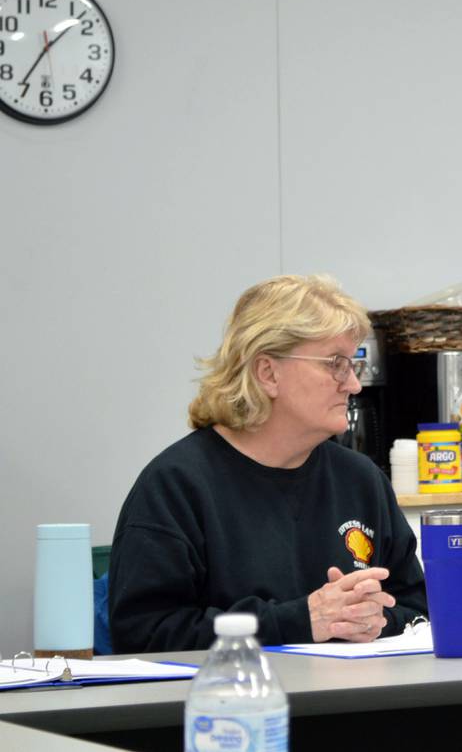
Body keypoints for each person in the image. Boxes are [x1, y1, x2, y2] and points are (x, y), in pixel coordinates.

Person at [109, 274, 426, 652]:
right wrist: (300, 621)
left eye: (352, 365)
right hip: (230, 705)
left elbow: (416, 609)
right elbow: (144, 633)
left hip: (354, 704)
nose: (354, 385)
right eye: (335, 364)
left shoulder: (361, 480)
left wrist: (375, 620)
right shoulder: (176, 486)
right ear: (267, 373)